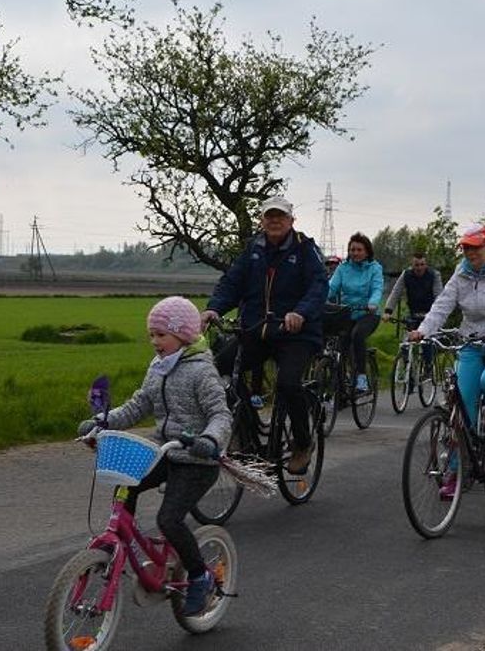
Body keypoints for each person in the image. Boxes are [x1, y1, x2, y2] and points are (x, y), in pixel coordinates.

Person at [76, 296, 232, 617]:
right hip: (165, 452)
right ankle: (116, 537)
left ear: (184, 335)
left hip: (197, 460)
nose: (154, 341)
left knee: (169, 520)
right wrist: (102, 421)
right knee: (126, 483)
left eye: (161, 334)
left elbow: (221, 415)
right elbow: (138, 405)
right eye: (151, 335)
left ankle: (200, 577)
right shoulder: (158, 367)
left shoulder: (201, 372)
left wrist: (209, 439)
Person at [201, 196, 328, 475]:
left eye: (280, 216)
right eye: (269, 216)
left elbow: (318, 286)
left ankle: (302, 444)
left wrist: (300, 313)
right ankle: (243, 428)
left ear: (291, 221)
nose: (274, 221)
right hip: (257, 330)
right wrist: (213, 309)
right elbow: (232, 282)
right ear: (262, 220)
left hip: (296, 333)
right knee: (217, 369)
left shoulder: (305, 250)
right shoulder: (253, 249)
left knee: (288, 383)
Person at [410, 223, 485, 498]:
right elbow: (442, 305)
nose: (469, 252)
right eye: (465, 247)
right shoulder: (461, 273)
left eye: (474, 247)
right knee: (460, 412)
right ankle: (455, 473)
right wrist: (423, 331)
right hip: (472, 342)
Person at [327, 232, 385, 393]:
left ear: (367, 251)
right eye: (352, 250)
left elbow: (377, 288)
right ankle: (339, 387)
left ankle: (361, 377)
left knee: (357, 335)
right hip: (347, 313)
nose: (355, 253)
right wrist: (317, 297)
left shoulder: (374, 268)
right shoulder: (343, 268)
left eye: (359, 250)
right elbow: (331, 287)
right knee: (340, 347)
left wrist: (372, 303)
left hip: (368, 313)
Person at [383, 251, 443, 368]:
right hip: (413, 313)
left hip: (429, 314)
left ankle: (428, 367)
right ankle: (408, 366)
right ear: (412, 265)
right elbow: (396, 292)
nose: (419, 268)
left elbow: (439, 296)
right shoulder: (406, 275)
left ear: (426, 264)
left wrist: (437, 314)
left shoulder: (434, 275)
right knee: (405, 343)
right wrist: (388, 311)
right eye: (416, 265)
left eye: (422, 264)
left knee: (427, 342)